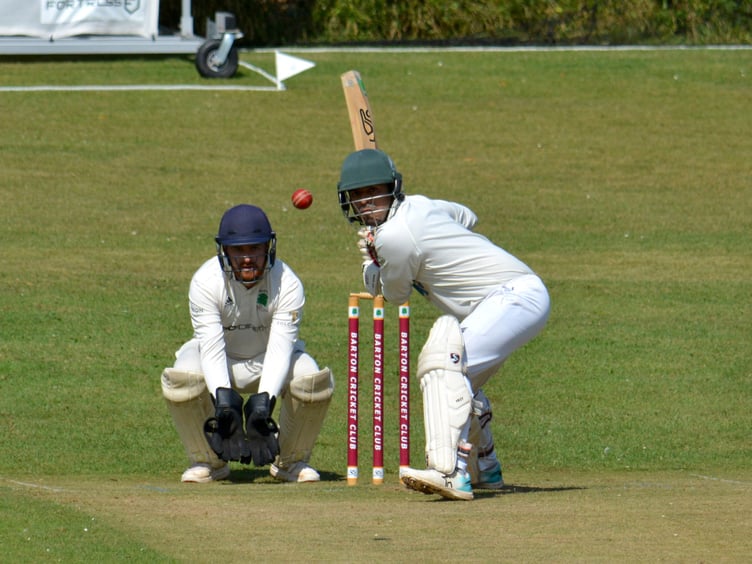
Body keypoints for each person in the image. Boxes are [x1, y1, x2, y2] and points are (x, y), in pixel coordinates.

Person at [336, 149, 550, 500]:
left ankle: (449, 472)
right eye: (358, 196)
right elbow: (467, 215)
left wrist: (374, 266)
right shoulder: (421, 205)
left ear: (391, 188)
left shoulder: (395, 236)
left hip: (512, 298)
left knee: (442, 363)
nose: (365, 202)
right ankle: (485, 466)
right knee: (462, 383)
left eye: (372, 192)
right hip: (506, 299)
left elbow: (394, 294)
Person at [161, 204, 334, 483]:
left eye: (255, 249)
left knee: (311, 380)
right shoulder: (205, 281)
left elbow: (280, 349)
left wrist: (262, 406)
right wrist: (225, 404)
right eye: (238, 250)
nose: (247, 259)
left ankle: (290, 462)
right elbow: (211, 346)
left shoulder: (287, 283)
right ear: (224, 252)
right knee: (182, 376)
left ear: (268, 248)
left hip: (268, 359)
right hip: (223, 360)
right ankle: (209, 462)